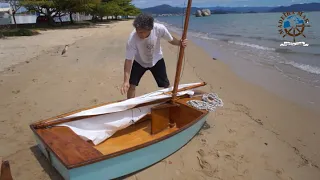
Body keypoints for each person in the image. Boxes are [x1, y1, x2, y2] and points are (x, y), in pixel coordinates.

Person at [120, 13, 188, 99]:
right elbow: (128, 60)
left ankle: (169, 101)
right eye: (137, 31)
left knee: (166, 85)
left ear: (150, 29)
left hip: (157, 60)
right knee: (131, 85)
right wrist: (125, 81)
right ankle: (130, 105)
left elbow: (170, 39)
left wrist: (180, 43)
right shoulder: (132, 38)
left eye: (141, 32)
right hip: (139, 61)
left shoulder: (159, 29)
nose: (139, 34)